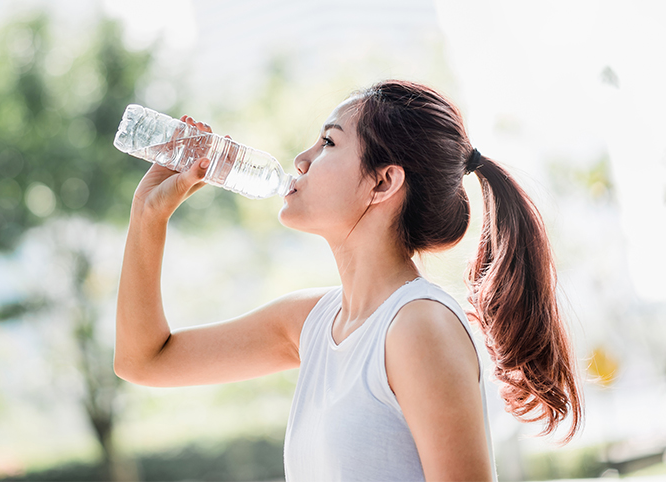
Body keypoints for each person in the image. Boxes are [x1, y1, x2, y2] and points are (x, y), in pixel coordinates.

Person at [114, 80, 583, 481]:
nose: (301, 159)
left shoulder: (418, 328)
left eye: (329, 144)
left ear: (383, 182)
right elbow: (144, 360)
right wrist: (148, 215)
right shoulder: (310, 323)